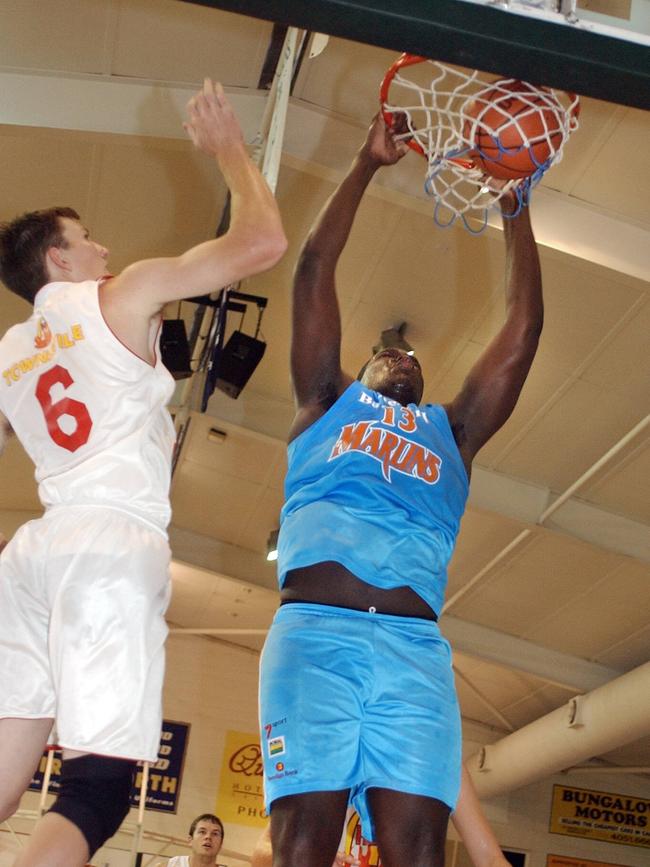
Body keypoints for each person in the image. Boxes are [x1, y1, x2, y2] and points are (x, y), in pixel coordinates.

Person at [0, 79, 286, 867]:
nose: (103, 249)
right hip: (106, 543)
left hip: (32, 554)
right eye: (87, 239)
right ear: (58, 258)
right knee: (96, 792)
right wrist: (231, 149)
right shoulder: (117, 296)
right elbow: (262, 244)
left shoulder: (10, 353)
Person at [258, 114, 542, 867]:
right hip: (316, 637)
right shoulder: (326, 397)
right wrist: (365, 162)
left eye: (414, 359)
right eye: (392, 355)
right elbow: (314, 266)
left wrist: (516, 205)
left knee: (419, 853)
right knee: (303, 849)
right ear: (367, 368)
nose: (404, 360)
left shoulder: (456, 431)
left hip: (415, 654)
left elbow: (522, 328)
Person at [251, 766, 512, 867]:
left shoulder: (443, 761)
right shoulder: (326, 753)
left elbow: (490, 859)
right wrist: (311, 857)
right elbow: (262, 854)